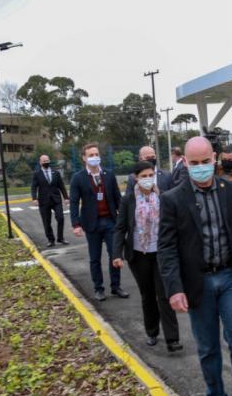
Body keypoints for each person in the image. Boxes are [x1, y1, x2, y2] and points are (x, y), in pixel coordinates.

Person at [157, 136, 232, 396]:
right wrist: (174, 288)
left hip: (230, 277)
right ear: (185, 163)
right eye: (194, 163)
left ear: (214, 158)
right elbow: (166, 248)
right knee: (207, 346)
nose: (201, 167)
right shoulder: (173, 199)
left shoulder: (229, 191)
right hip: (197, 282)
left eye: (205, 161)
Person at [112, 161, 182, 352]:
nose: (148, 179)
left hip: (161, 254)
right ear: (136, 178)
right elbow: (120, 228)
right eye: (143, 176)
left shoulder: (164, 197)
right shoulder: (128, 200)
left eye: (150, 175)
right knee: (148, 295)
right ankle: (152, 332)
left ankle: (172, 339)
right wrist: (117, 254)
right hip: (138, 255)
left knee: (164, 294)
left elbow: (173, 225)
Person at [70, 144, 128, 302]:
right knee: (95, 257)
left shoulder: (108, 174)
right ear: (84, 158)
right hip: (91, 223)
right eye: (90, 155)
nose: (94, 157)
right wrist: (76, 224)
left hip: (110, 221)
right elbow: (74, 202)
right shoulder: (78, 178)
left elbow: (117, 198)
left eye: (96, 154)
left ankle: (116, 286)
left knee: (114, 254)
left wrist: (123, 219)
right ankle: (98, 288)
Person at [31, 154, 69, 247]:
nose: (46, 162)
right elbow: (34, 187)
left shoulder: (56, 173)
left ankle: (60, 238)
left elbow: (61, 186)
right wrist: (34, 198)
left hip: (56, 200)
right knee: (46, 221)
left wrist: (66, 198)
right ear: (40, 162)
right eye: (44, 161)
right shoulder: (37, 174)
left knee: (60, 218)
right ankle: (51, 240)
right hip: (44, 201)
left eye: (47, 160)